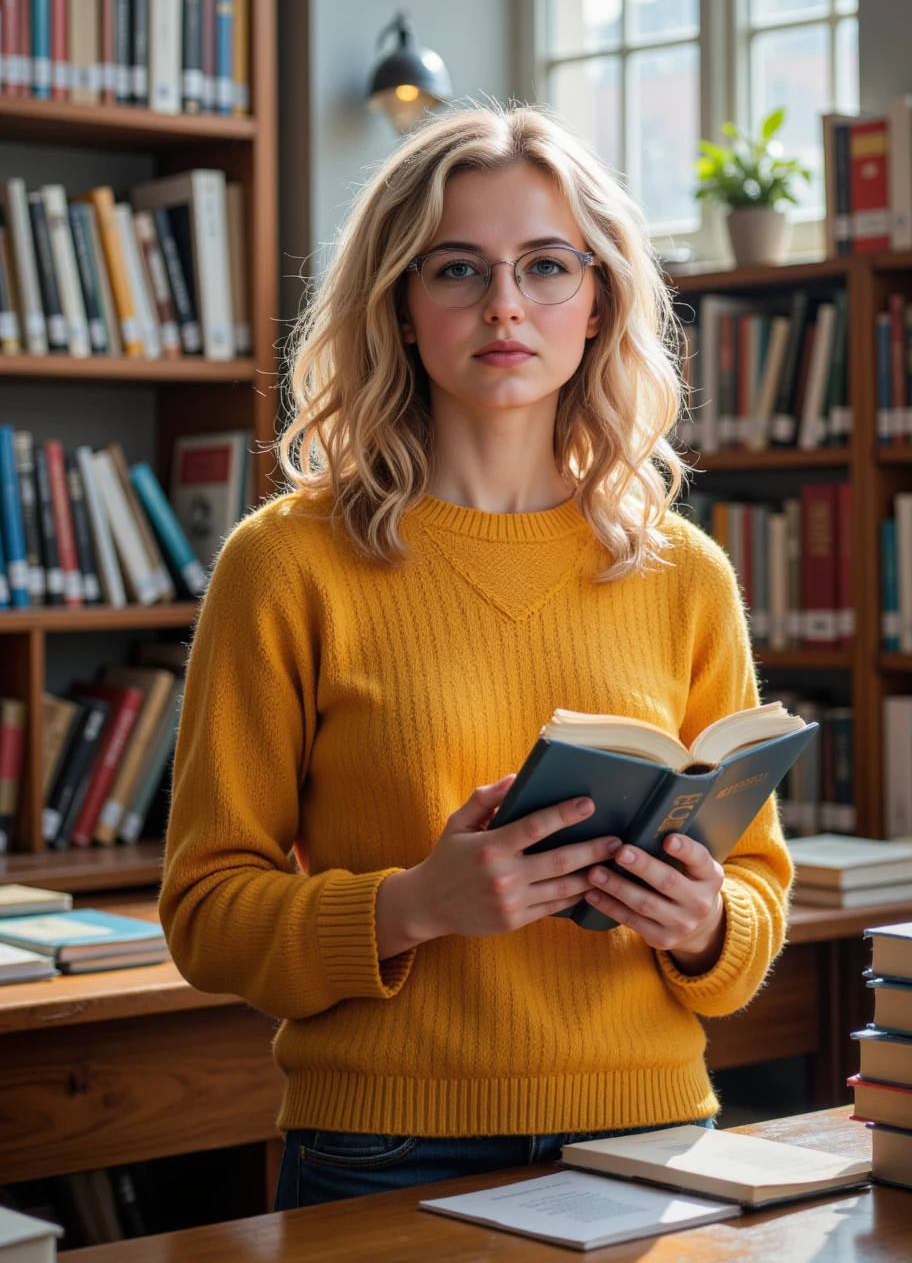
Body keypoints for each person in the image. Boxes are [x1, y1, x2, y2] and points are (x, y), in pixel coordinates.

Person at [158, 104, 792, 1211]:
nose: (505, 304)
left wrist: (704, 927)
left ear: (597, 302)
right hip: (386, 1146)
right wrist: (412, 904)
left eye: (546, 266)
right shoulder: (283, 565)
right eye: (457, 269)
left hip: (651, 1136)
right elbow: (207, 911)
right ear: (400, 307)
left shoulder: (682, 571)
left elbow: (756, 894)